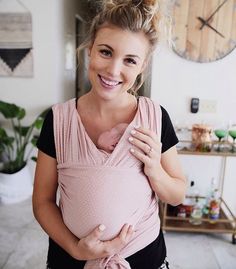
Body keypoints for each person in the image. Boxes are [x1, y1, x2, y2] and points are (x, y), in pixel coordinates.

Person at [33, 0, 186, 268]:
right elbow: (43, 202)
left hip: (144, 259)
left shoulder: (155, 118)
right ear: (90, 49)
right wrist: (76, 249)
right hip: (69, 260)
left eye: (129, 60)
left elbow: (176, 194)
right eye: (106, 52)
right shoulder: (58, 120)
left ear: (143, 66)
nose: (114, 70)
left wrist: (154, 169)